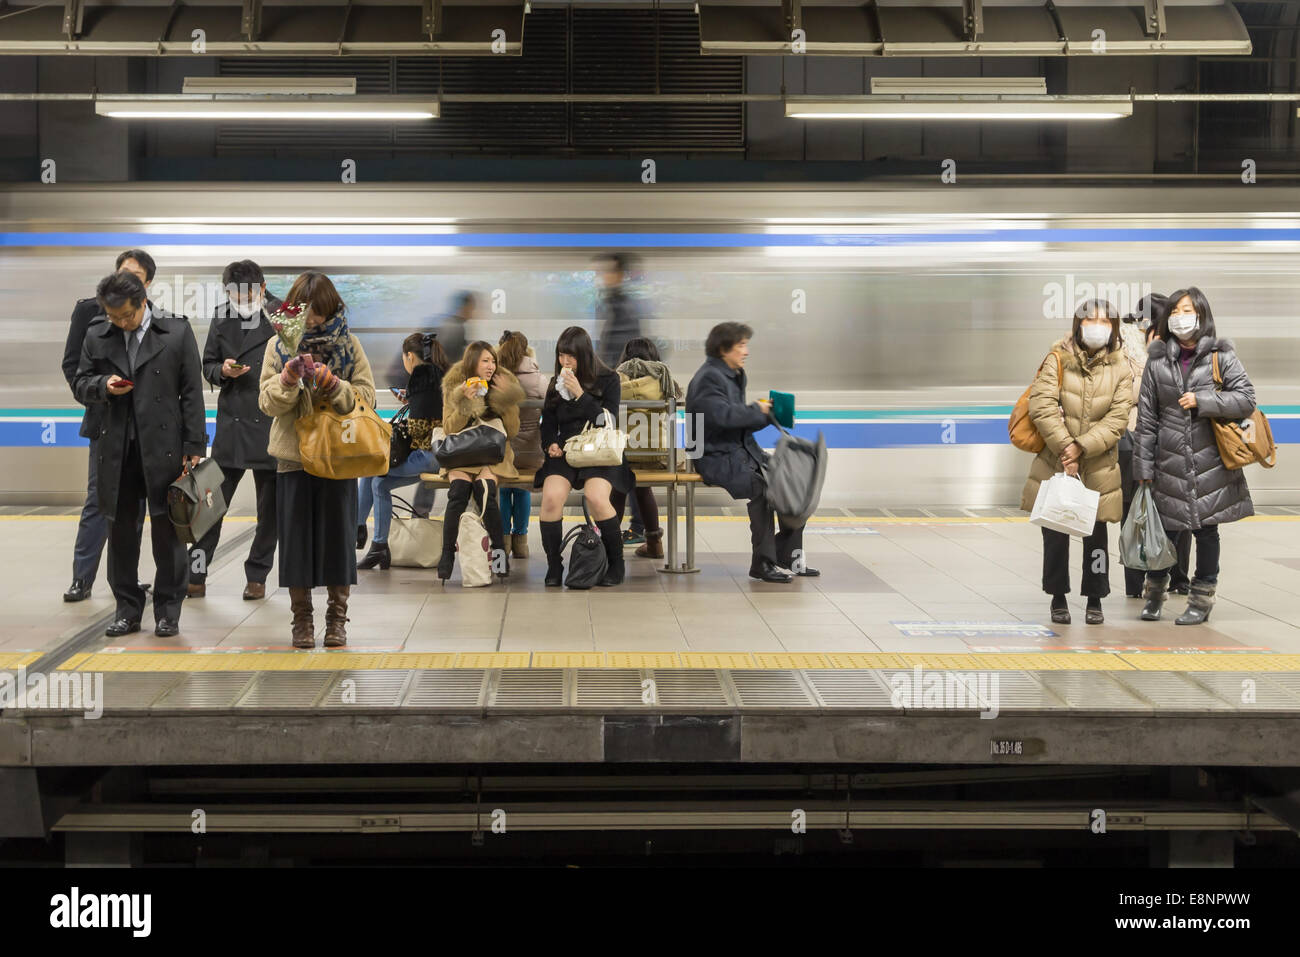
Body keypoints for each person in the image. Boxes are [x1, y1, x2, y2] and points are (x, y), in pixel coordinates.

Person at [72, 271, 206, 637]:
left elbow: (192, 392)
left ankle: (168, 611)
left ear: (142, 303)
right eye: (113, 317)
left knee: (168, 533)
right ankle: (128, 609)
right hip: (117, 449)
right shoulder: (97, 335)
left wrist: (195, 447)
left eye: (126, 317)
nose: (120, 323)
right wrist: (103, 385)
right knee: (121, 535)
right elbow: (80, 382)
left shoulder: (175, 332)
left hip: (165, 449)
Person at [258, 272, 376, 648]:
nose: (311, 320)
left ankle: (337, 620)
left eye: (318, 313)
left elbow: (367, 398)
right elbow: (266, 402)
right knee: (295, 543)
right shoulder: (278, 347)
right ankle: (302, 621)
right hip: (293, 458)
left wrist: (332, 384)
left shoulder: (350, 345)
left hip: (340, 456)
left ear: (332, 308)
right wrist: (288, 381)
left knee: (339, 540)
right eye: (306, 312)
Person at [1134, 287, 1256, 625]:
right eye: (1175, 311)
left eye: (1186, 310)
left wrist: (1203, 401)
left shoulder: (1222, 356)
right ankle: (1154, 594)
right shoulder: (1157, 361)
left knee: (1206, 532)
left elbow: (1246, 399)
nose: (1180, 317)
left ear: (1201, 314)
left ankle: (1201, 599)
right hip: (1168, 460)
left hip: (1211, 461)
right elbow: (1146, 418)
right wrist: (1143, 467)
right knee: (1166, 532)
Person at [1020, 300, 1133, 625]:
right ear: (1077, 324)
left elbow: (1118, 418)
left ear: (1113, 327)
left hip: (1098, 465)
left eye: (1104, 321)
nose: (1097, 326)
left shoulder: (1121, 367)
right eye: (1090, 320)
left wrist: (1082, 447)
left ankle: (1095, 598)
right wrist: (1066, 446)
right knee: (1055, 531)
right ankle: (1058, 597)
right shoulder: (1056, 359)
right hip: (1056, 462)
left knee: (1096, 537)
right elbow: (1041, 406)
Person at [686, 322, 818, 584]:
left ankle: (788, 555)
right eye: (741, 345)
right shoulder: (709, 378)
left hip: (740, 452)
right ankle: (763, 563)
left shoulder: (733, 374)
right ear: (724, 349)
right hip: (714, 457)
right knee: (763, 489)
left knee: (792, 479)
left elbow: (739, 421)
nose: (746, 351)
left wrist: (768, 415)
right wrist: (759, 411)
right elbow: (722, 417)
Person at [60, 249, 155, 602]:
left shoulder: (155, 317)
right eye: (123, 274)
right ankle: (81, 578)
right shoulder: (88, 311)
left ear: (146, 286)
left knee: (137, 506)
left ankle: (127, 579)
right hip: (106, 422)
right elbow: (73, 367)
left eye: (136, 279)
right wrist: (101, 393)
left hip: (145, 429)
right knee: (98, 501)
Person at [187, 260, 283, 601]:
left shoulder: (284, 314)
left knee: (269, 514)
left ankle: (257, 576)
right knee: (209, 509)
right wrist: (221, 372)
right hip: (232, 425)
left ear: (262, 287)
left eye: (246, 295)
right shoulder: (221, 316)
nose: (240, 301)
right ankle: (194, 573)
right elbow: (207, 363)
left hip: (272, 425)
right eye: (233, 295)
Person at [536, 326, 632, 587]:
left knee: (596, 497)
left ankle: (616, 563)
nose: (566, 363)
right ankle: (554, 565)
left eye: (572, 357)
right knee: (551, 497)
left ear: (585, 355)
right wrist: (551, 444)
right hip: (568, 451)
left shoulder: (609, 379)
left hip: (599, 451)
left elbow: (606, 420)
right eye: (561, 356)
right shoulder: (556, 384)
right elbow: (547, 422)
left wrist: (580, 394)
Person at [435, 340, 525, 582]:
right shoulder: (455, 383)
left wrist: (506, 398)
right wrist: (465, 403)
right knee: (458, 493)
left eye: (493, 360)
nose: (491, 365)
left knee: (486, 491)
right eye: (485, 360)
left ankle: (499, 556)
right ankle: (446, 556)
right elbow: (448, 428)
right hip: (462, 452)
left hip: (493, 453)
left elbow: (513, 431)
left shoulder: (504, 382)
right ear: (472, 362)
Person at [357, 333, 449, 570]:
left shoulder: (420, 376)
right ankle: (374, 543)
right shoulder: (440, 372)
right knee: (378, 480)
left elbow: (420, 432)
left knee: (375, 476)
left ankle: (363, 536)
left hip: (429, 456)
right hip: (442, 453)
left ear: (409, 356)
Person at [614, 336, 680, 560]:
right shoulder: (663, 381)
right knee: (642, 488)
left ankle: (610, 544)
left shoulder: (616, 381)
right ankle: (654, 544)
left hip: (623, 454)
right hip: (655, 455)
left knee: (618, 486)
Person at [1116, 293, 1164, 598]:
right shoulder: (1124, 347)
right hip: (1132, 438)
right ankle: (1134, 580)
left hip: (1165, 438)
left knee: (1164, 510)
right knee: (1132, 510)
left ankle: (1165, 575)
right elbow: (1125, 391)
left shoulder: (1169, 347)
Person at [497, 330, 548, 559]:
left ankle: (504, 540)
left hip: (502, 450)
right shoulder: (538, 379)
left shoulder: (496, 377)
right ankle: (521, 542)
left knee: (504, 488)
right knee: (522, 489)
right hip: (531, 452)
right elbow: (551, 409)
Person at [594, 253, 645, 370]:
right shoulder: (609, 303)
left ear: (619, 275)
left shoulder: (625, 308)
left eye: (609, 271)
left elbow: (623, 347)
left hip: (618, 374)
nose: (604, 276)